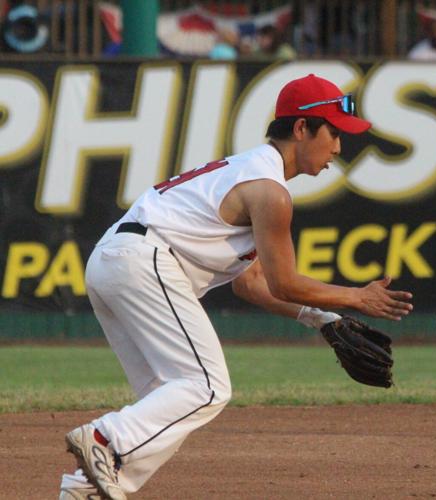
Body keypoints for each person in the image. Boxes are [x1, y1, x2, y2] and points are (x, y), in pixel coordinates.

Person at [59, 74, 413, 499]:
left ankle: (85, 492)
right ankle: (102, 438)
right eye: (333, 132)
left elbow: (253, 283)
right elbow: (285, 282)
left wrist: (322, 319)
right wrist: (357, 296)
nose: (338, 148)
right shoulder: (269, 190)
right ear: (301, 128)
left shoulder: (250, 172)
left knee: (166, 404)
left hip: (113, 262)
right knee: (206, 387)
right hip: (145, 263)